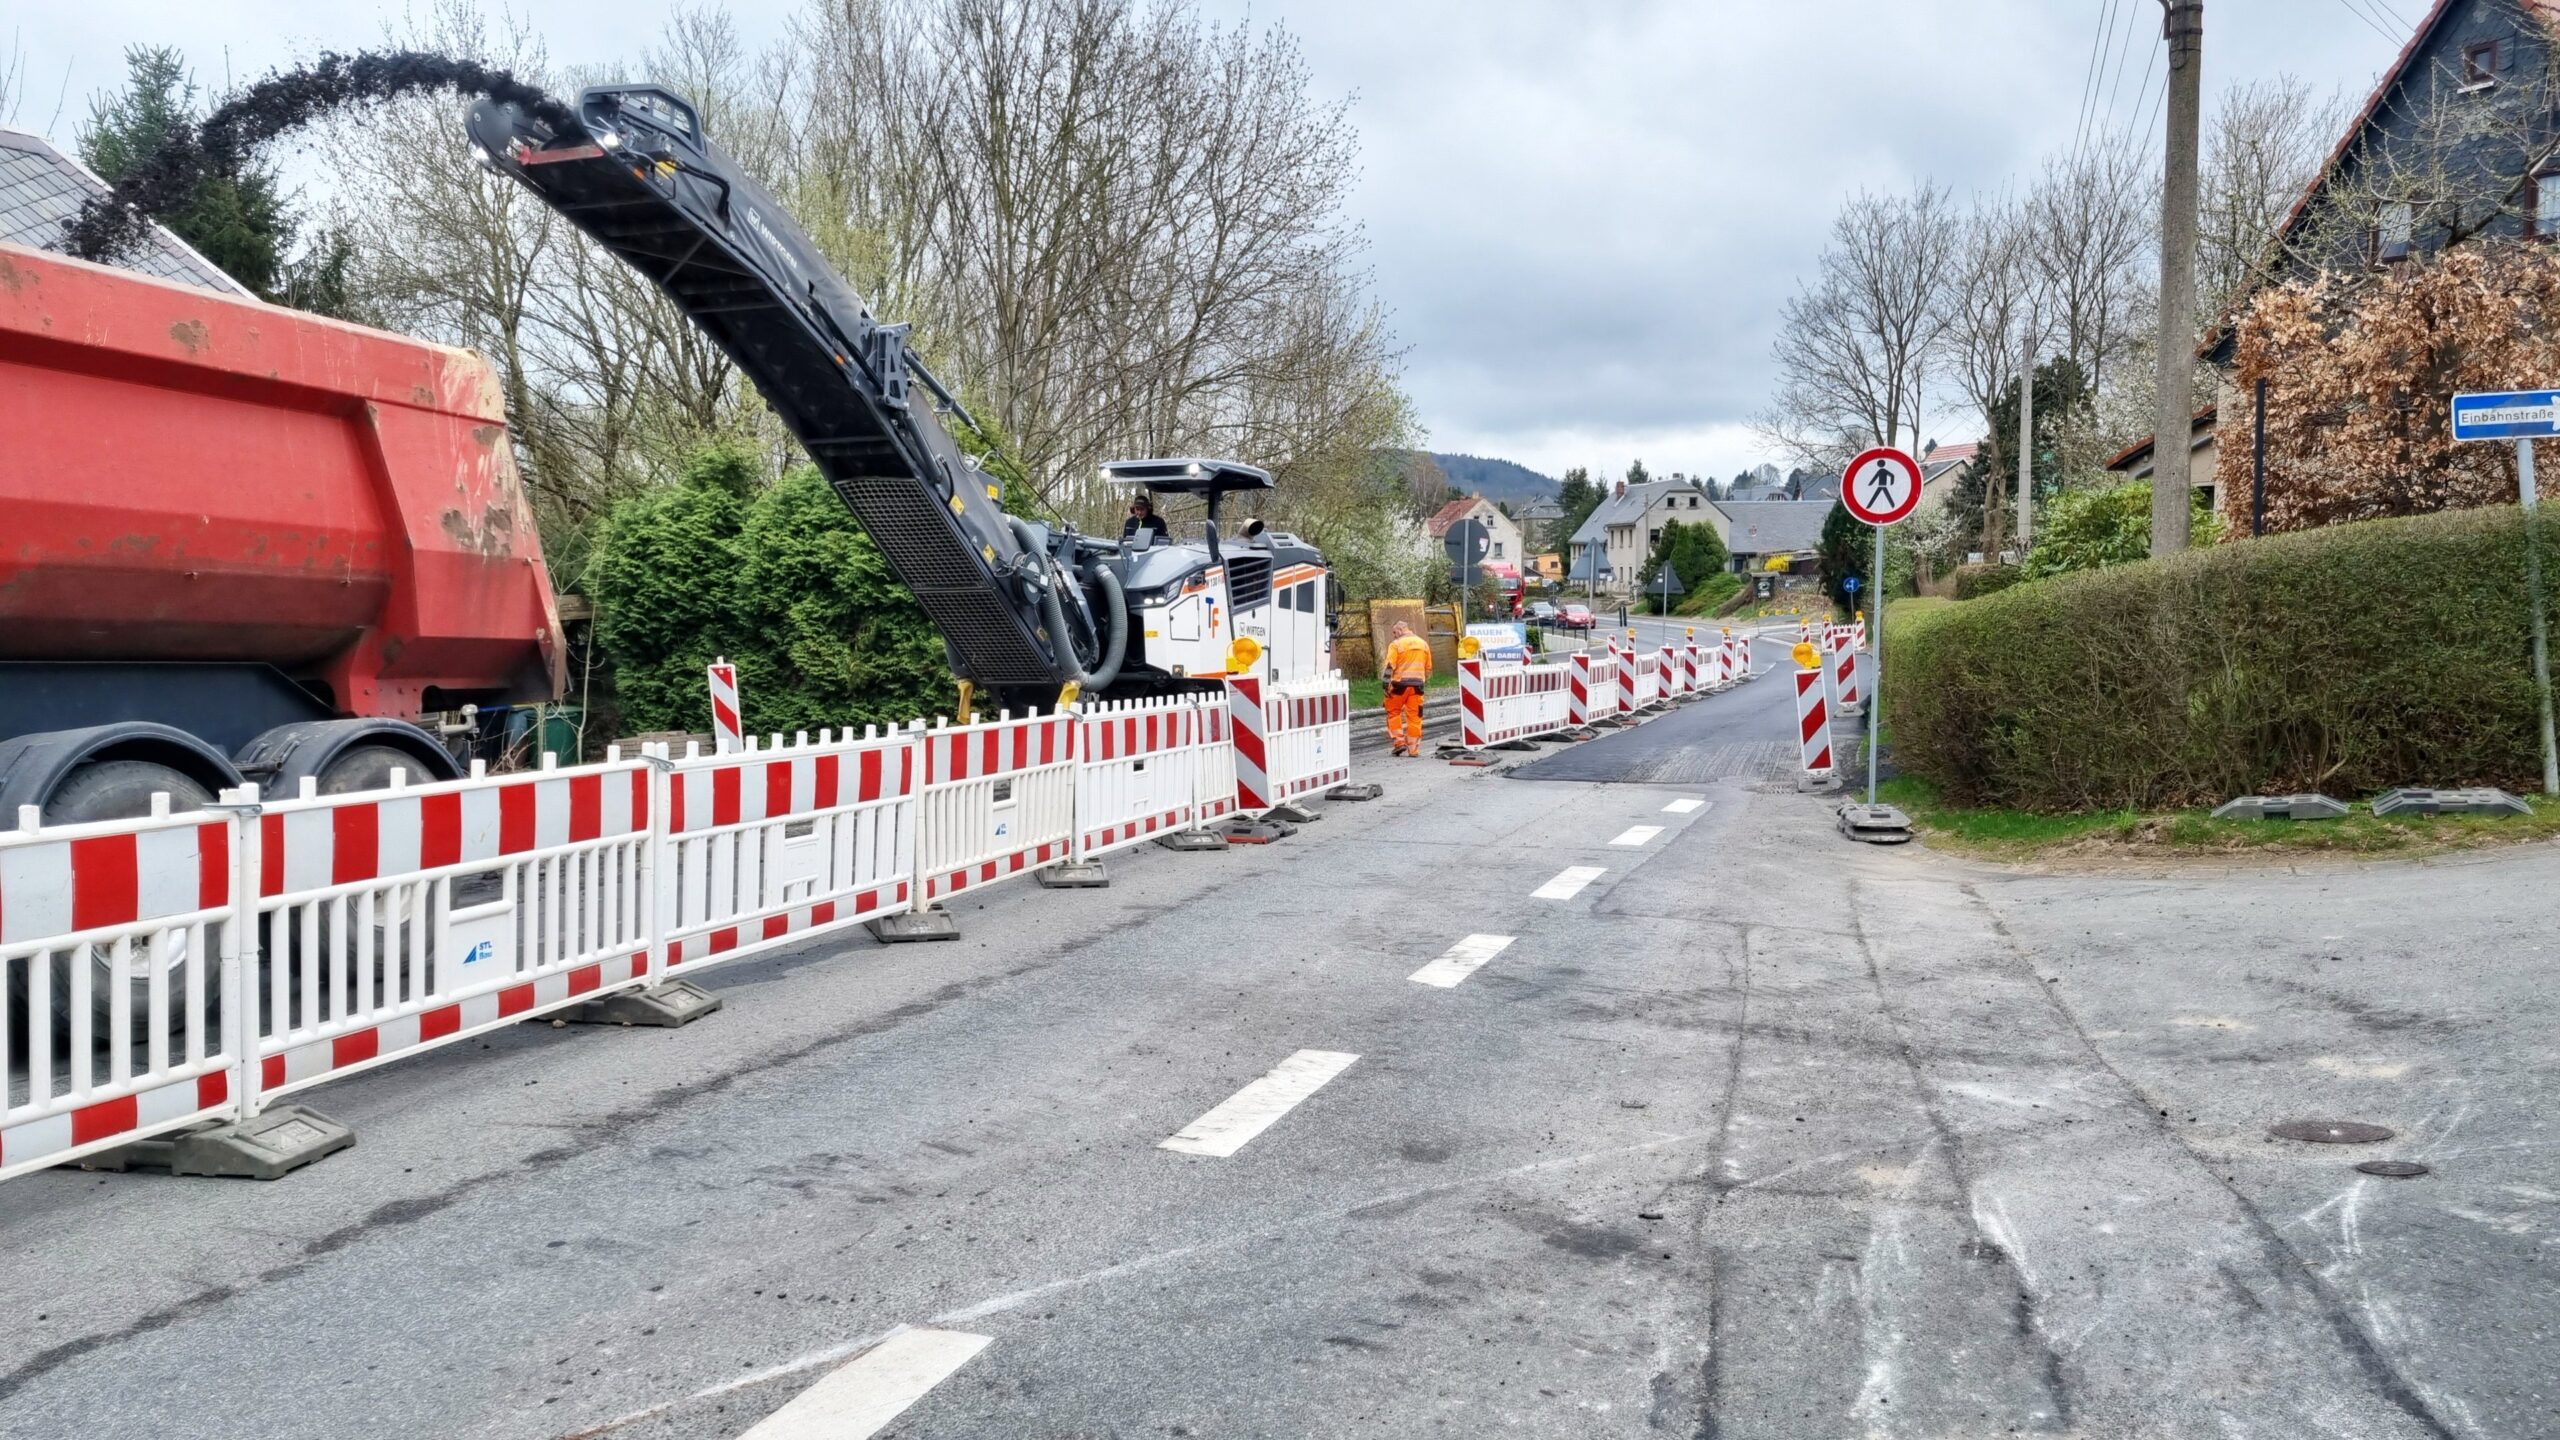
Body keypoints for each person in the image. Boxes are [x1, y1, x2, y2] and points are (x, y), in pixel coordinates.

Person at [1381, 620, 1432, 758]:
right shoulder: (1423, 644)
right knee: (1415, 717)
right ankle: (1413, 749)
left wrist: (1386, 685)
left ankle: (1399, 743)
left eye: (1394, 632)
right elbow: (1428, 668)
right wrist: (1422, 681)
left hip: (1399, 686)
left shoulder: (1396, 644)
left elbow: (1389, 666)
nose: (1394, 635)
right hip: (1417, 687)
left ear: (1400, 630)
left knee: (1393, 713)